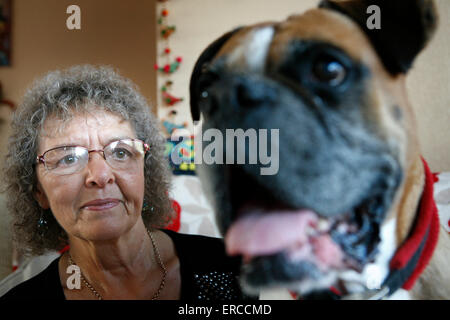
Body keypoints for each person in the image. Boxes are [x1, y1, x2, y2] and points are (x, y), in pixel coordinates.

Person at [0, 65, 252, 300]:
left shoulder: (232, 268)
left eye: (120, 152)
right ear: (38, 191)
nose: (100, 176)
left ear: (146, 170)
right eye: (68, 158)